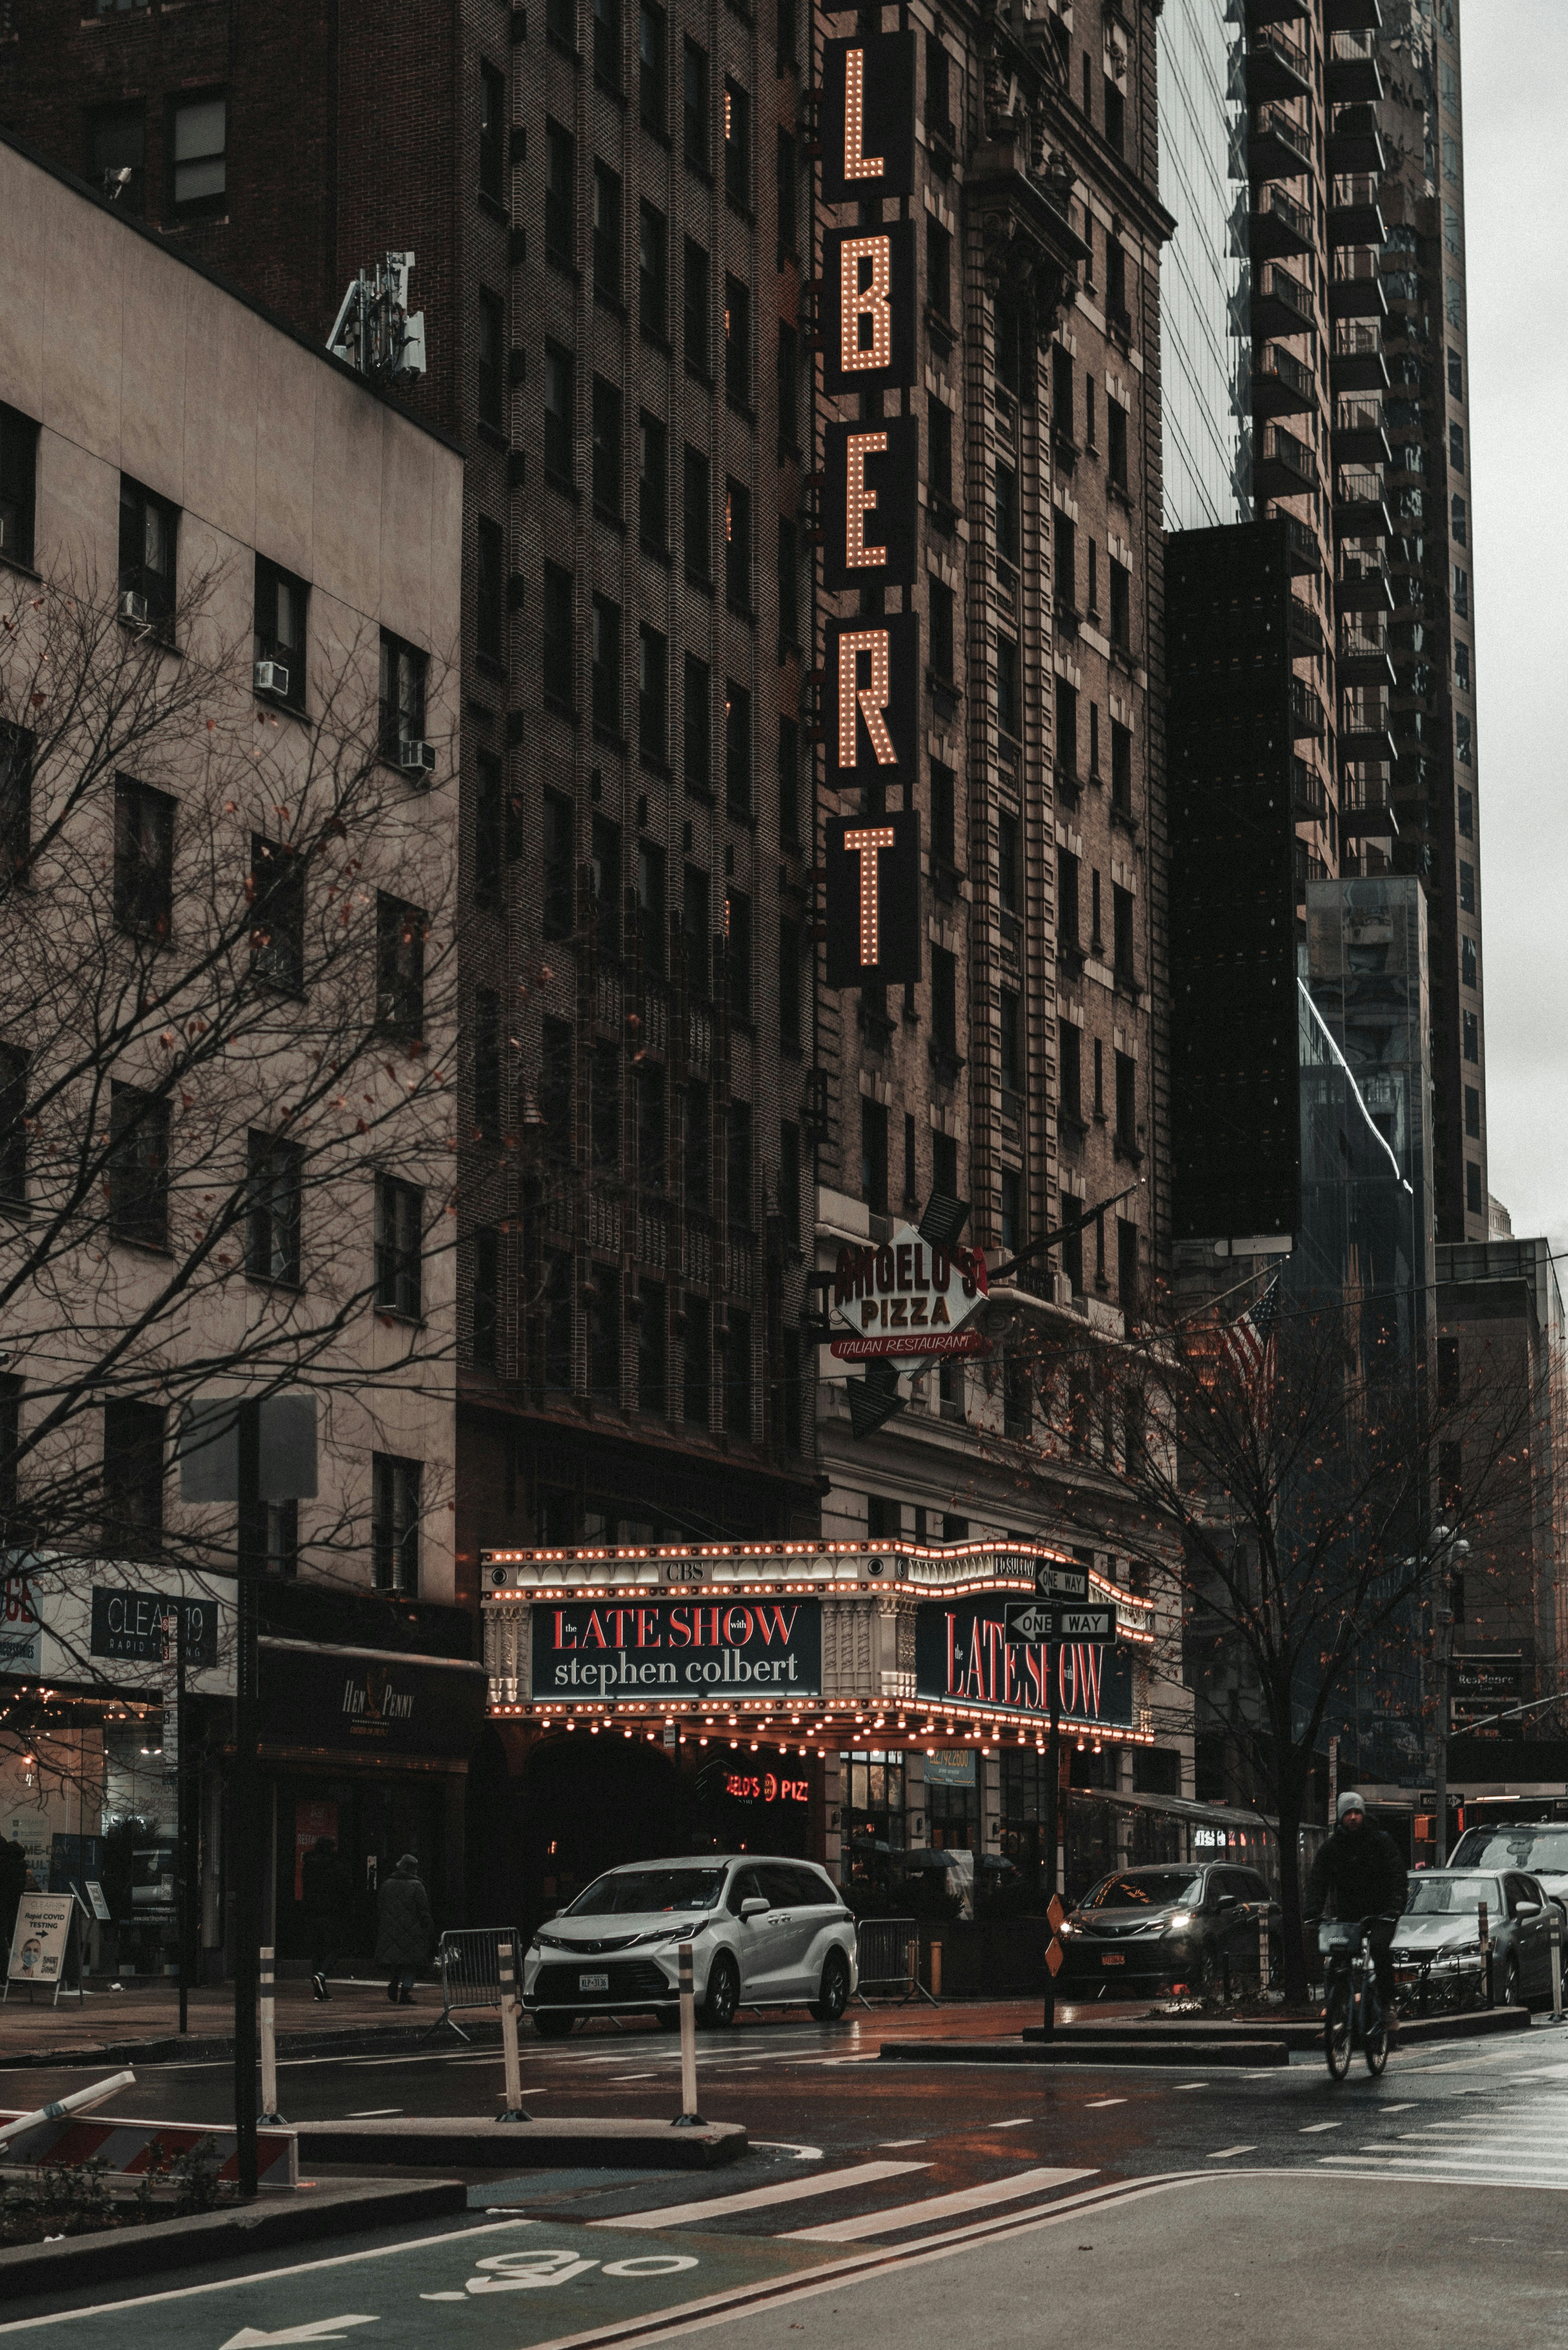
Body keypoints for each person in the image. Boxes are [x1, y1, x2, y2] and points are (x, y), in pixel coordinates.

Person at [1305, 1790, 1409, 2034]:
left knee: (1381, 1951)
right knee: (1336, 1962)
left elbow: (1397, 1876)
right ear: (1341, 1818)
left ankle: (1387, 2006)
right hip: (1349, 1915)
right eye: (1348, 1813)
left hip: (1382, 1912)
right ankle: (1336, 2015)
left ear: (1363, 1814)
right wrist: (1312, 1910)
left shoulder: (1381, 1841)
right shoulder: (1333, 1847)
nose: (1353, 1817)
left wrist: (1395, 1908)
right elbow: (1318, 1880)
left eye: (1357, 1812)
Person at [375, 1851, 434, 2004]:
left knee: (397, 1960)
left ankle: (394, 1983)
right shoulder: (417, 1886)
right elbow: (424, 1911)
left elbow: (380, 1907)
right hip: (413, 1932)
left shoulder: (387, 1884)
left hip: (391, 1930)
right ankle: (406, 1993)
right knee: (411, 1963)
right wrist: (429, 1929)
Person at [299, 1836, 350, 2002]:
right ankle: (322, 1976)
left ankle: (319, 1990)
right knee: (336, 1948)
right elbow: (345, 1889)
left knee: (317, 1952)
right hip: (332, 1912)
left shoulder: (309, 1865)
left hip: (312, 1913)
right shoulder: (336, 1865)